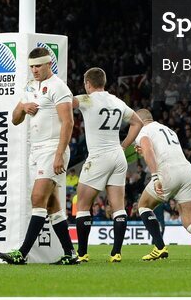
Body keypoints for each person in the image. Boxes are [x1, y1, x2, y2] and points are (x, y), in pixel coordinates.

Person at [0, 47, 78, 265]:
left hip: (53, 149)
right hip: (36, 150)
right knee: (52, 205)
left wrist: (60, 154)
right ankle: (71, 254)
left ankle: (22, 253)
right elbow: (14, 119)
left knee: (37, 199)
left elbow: (68, 122)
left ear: (48, 64)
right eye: (31, 66)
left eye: (38, 66)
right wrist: (23, 107)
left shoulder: (58, 87)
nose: (34, 70)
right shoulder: (29, 87)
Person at [133, 109, 191, 261]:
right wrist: (145, 152)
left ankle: (159, 248)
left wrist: (155, 176)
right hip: (186, 170)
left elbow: (149, 151)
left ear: (139, 120)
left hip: (168, 171)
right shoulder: (168, 129)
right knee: (190, 222)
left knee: (143, 206)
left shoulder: (143, 131)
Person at [71, 67, 144, 263]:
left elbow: (65, 103)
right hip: (118, 156)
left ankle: (83, 253)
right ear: (103, 82)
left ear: (88, 84)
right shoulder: (117, 101)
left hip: (99, 156)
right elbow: (138, 123)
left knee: (83, 206)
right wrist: (124, 145)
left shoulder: (87, 99)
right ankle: (116, 253)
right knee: (118, 207)